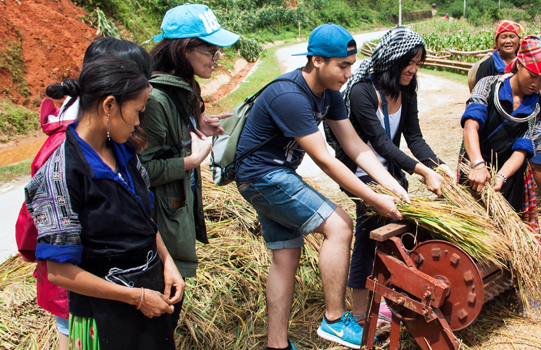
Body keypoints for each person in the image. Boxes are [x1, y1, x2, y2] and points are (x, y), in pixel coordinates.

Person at [234, 23, 409, 350]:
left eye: (351, 65)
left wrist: (391, 185)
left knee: (285, 257)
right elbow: (326, 160)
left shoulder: (330, 96)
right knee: (340, 225)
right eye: (342, 66)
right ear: (316, 60)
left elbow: (355, 145)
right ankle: (334, 320)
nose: (348, 73)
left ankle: (277, 345)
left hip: (272, 175)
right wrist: (373, 198)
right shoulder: (289, 95)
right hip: (262, 175)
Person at [24, 55, 184, 349]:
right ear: (109, 106)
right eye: (137, 111)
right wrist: (135, 297)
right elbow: (60, 273)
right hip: (102, 319)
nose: (138, 122)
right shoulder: (60, 174)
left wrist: (168, 262)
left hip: (147, 303)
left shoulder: (125, 153)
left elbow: (143, 217)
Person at [335, 26, 453, 326]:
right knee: (369, 235)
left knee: (396, 233)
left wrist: (437, 165)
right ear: (392, 59)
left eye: (418, 62)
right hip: (361, 175)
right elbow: (380, 143)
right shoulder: (364, 91)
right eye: (409, 61)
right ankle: (360, 313)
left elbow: (414, 138)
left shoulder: (407, 91)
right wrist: (421, 170)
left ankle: (386, 299)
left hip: (389, 175)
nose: (414, 68)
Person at [139, 4, 239, 328]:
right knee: (161, 317)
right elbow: (139, 172)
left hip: (176, 219)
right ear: (183, 49)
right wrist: (190, 160)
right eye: (211, 51)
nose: (216, 59)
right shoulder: (155, 99)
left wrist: (197, 125)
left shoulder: (185, 88)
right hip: (159, 231)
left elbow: (173, 135)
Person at [458, 35, 541, 231]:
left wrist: (500, 177)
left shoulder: (540, 112)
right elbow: (470, 125)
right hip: (473, 165)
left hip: (509, 176)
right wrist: (477, 164)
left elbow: (521, 151)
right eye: (532, 75)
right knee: (471, 224)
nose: (536, 84)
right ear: (519, 64)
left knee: (502, 230)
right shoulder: (488, 85)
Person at [470, 20, 524, 91]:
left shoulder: (523, 63)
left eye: (512, 36)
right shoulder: (487, 66)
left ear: (518, 40)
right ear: (497, 41)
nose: (508, 41)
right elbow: (478, 95)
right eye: (503, 37)